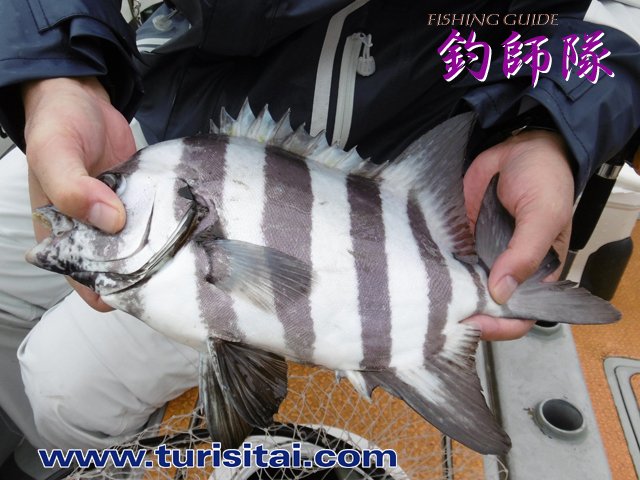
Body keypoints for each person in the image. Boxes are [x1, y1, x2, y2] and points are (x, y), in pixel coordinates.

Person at [0, 0, 639, 457]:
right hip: (154, 121)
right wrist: (54, 72)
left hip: (387, 187)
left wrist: (550, 127)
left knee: (60, 388)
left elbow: (606, 26)